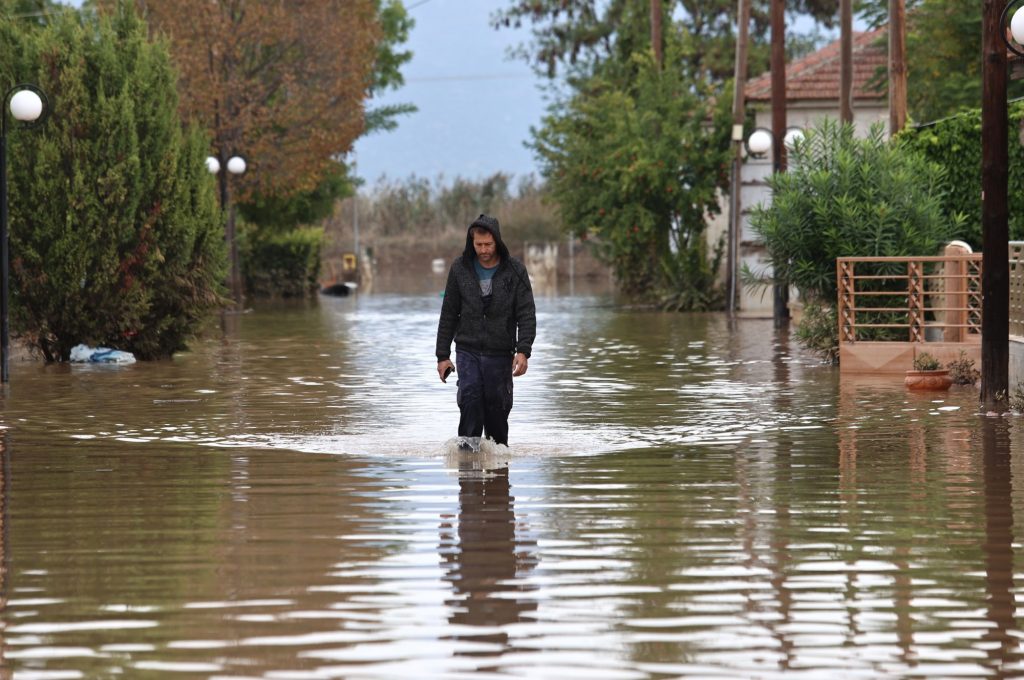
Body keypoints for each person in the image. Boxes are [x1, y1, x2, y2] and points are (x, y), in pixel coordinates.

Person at [436, 214, 536, 447]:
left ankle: (499, 472)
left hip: (500, 352)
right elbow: (449, 313)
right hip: (467, 349)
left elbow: (526, 313)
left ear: (497, 241)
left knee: (497, 409)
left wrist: (523, 351)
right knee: (470, 398)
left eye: (488, 244)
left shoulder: (515, 270)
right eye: (478, 244)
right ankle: (467, 468)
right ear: (471, 242)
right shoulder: (459, 269)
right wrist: (442, 355)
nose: (483, 249)